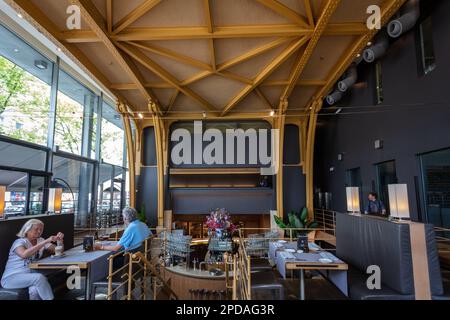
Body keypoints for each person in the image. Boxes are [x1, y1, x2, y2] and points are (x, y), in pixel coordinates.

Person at [0, 219, 64, 300]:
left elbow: (59, 251)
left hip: (29, 275)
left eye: (41, 229)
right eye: (36, 229)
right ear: (27, 230)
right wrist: (45, 242)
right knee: (38, 278)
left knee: (34, 289)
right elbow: (24, 254)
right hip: (11, 278)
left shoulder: (40, 240)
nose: (39, 231)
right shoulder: (19, 242)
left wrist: (60, 241)